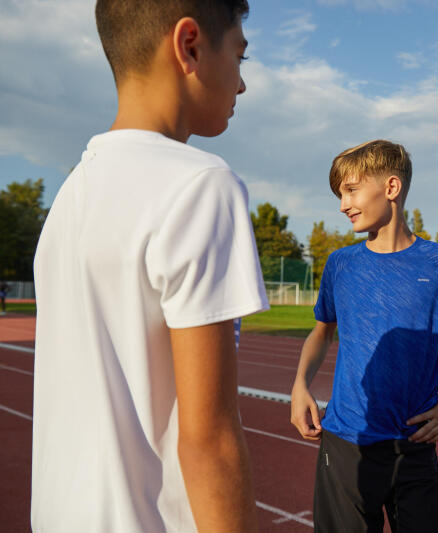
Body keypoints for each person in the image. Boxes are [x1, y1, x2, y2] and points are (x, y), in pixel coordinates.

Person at [31, 1, 267, 532]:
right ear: (189, 46)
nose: (242, 84)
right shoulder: (202, 185)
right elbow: (210, 439)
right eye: (240, 55)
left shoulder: (69, 197)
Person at [290, 139, 438, 532]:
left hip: (414, 449)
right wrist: (300, 385)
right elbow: (321, 333)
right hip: (345, 446)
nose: (342, 204)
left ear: (391, 188)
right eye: (339, 194)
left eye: (351, 190)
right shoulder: (341, 263)